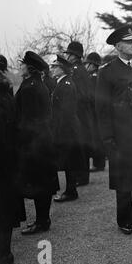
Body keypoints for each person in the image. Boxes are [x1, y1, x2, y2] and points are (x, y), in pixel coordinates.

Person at [96, 25, 132, 235]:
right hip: (120, 136)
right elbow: (102, 110)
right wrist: (108, 140)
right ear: (118, 46)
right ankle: (124, 219)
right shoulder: (107, 72)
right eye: (129, 42)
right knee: (124, 181)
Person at [15, 51, 59, 235]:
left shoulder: (29, 88)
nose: (20, 67)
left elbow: (26, 120)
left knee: (38, 182)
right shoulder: (38, 85)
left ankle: (42, 221)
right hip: (43, 140)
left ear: (29, 67)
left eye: (22, 64)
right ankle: (43, 219)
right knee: (44, 181)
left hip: (34, 143)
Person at [52, 56, 85, 203]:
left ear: (62, 69)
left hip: (67, 128)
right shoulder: (62, 83)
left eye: (55, 66)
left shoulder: (66, 84)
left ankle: (71, 191)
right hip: (66, 127)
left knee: (69, 161)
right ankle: (70, 190)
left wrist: (59, 130)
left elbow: (66, 111)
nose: (52, 69)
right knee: (68, 161)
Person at [0, 68, 24, 264]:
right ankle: (4, 254)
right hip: (7, 163)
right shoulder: (7, 97)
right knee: (4, 211)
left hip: (4, 163)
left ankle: (4, 255)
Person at [63, 41, 93, 188]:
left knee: (80, 146)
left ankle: (82, 176)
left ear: (74, 56)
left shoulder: (77, 70)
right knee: (82, 146)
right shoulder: (80, 69)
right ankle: (82, 175)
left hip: (80, 113)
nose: (66, 56)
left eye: (68, 54)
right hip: (82, 113)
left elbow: (82, 94)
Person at [84, 52, 106, 172]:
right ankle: (100, 162)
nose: (86, 66)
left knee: (96, 137)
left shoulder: (92, 78)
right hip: (99, 110)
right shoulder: (98, 76)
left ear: (92, 65)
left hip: (94, 110)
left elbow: (91, 96)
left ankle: (98, 163)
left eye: (88, 64)